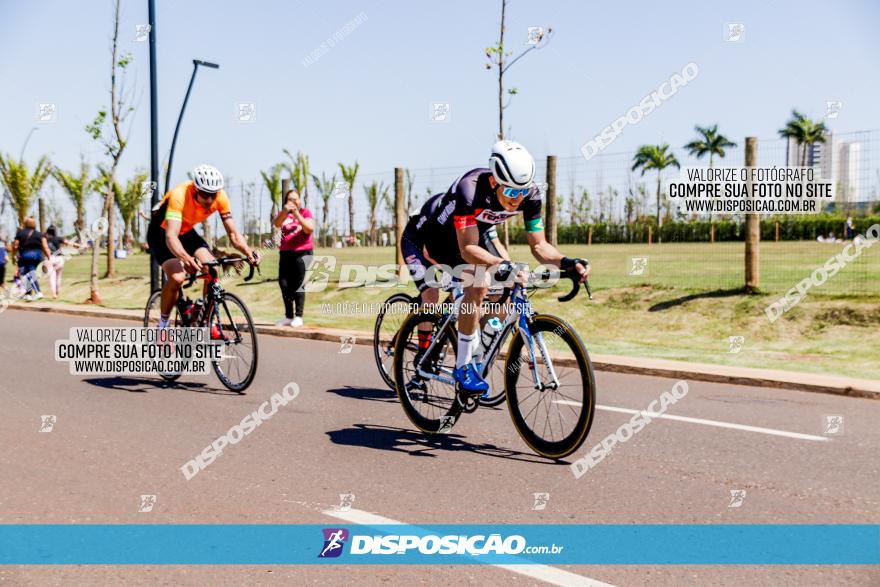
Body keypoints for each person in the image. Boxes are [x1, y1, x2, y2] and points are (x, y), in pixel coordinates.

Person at [400, 140, 590, 393]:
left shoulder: (529, 195)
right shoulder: (470, 189)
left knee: (504, 290)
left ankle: (475, 349)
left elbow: (539, 246)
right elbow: (467, 249)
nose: (517, 200)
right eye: (511, 193)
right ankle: (460, 365)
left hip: (469, 238)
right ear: (494, 181)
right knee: (472, 284)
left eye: (522, 192)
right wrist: (500, 264)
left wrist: (567, 262)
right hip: (433, 242)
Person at [147, 164, 259, 329]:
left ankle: (205, 319)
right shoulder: (180, 195)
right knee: (177, 278)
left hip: (186, 232)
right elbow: (171, 236)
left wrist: (249, 253)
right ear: (195, 190)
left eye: (212, 195)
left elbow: (234, 235)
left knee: (211, 268)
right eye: (205, 195)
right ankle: (162, 325)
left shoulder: (220, 198)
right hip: (162, 234)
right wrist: (186, 258)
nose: (209, 200)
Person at [273, 188, 315, 327]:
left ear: (300, 200)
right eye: (290, 199)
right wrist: (285, 212)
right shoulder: (283, 214)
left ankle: (298, 316)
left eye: (295, 198)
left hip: (303, 252)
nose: (293, 201)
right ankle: (288, 316)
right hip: (286, 252)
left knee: (298, 284)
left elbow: (309, 228)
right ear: (286, 202)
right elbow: (277, 223)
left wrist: (297, 214)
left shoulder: (305, 212)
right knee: (284, 283)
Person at [12, 217, 51, 301]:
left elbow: (15, 246)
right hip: (37, 255)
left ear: (25, 223)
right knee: (27, 273)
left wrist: (15, 250)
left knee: (30, 273)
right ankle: (28, 294)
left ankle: (38, 292)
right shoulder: (39, 234)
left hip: (26, 255)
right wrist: (48, 256)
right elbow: (45, 246)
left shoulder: (20, 233)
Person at [43, 226, 81, 299]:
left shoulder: (45, 239)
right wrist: (79, 245)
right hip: (59, 259)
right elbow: (69, 243)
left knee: (52, 277)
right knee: (58, 277)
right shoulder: (58, 238)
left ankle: (54, 293)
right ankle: (57, 292)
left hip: (49, 259)